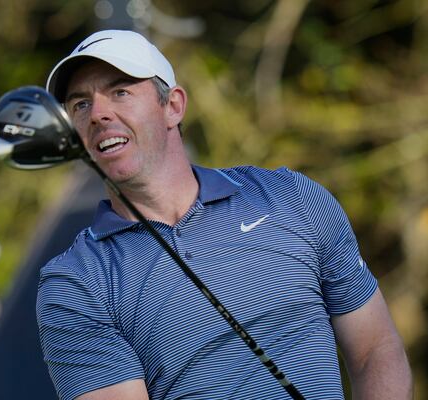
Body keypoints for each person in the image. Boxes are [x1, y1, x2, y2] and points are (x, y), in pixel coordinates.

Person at [36, 30, 413, 399]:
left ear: (173, 106)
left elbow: (375, 349)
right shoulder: (74, 284)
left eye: (121, 92)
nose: (99, 113)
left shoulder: (290, 197)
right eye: (80, 104)